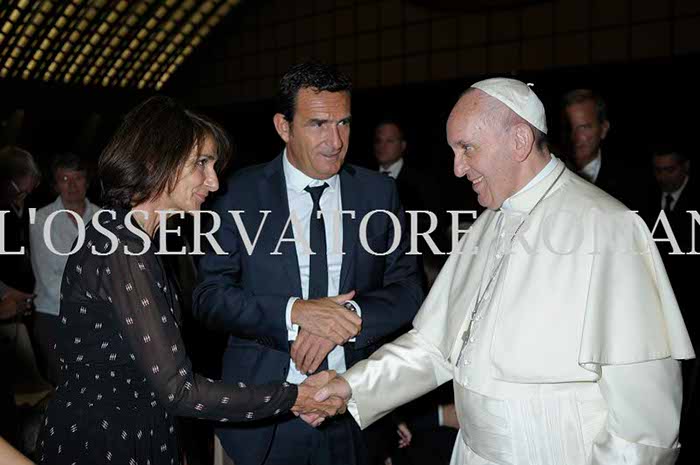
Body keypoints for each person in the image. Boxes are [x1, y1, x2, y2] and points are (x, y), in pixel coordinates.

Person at [313, 78, 694, 465]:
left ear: (518, 141)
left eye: (467, 149)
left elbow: (645, 424)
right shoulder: (486, 225)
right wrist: (350, 386)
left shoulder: (608, 227)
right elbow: (435, 346)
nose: (458, 169)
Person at [36, 96, 345, 465]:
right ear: (156, 159)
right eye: (202, 163)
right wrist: (293, 396)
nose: (213, 182)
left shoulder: (120, 235)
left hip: (122, 430)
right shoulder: (123, 249)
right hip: (107, 442)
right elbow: (179, 390)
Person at [193, 62, 423, 465]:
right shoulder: (235, 195)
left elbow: (408, 290)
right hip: (265, 419)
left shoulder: (379, 194)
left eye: (344, 123)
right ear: (284, 127)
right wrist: (296, 313)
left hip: (356, 413)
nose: (335, 141)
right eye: (318, 124)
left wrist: (345, 319)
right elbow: (210, 296)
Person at [29, 153, 99, 384]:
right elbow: (49, 280)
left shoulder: (103, 218)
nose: (71, 186)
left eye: (77, 178)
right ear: (55, 184)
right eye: (64, 179)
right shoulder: (41, 219)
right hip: (54, 316)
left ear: (87, 181)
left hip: (97, 318)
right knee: (66, 387)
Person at [561, 89, 635, 205]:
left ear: (604, 129)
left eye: (584, 127)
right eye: (570, 127)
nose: (575, 137)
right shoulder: (552, 175)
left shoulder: (629, 181)